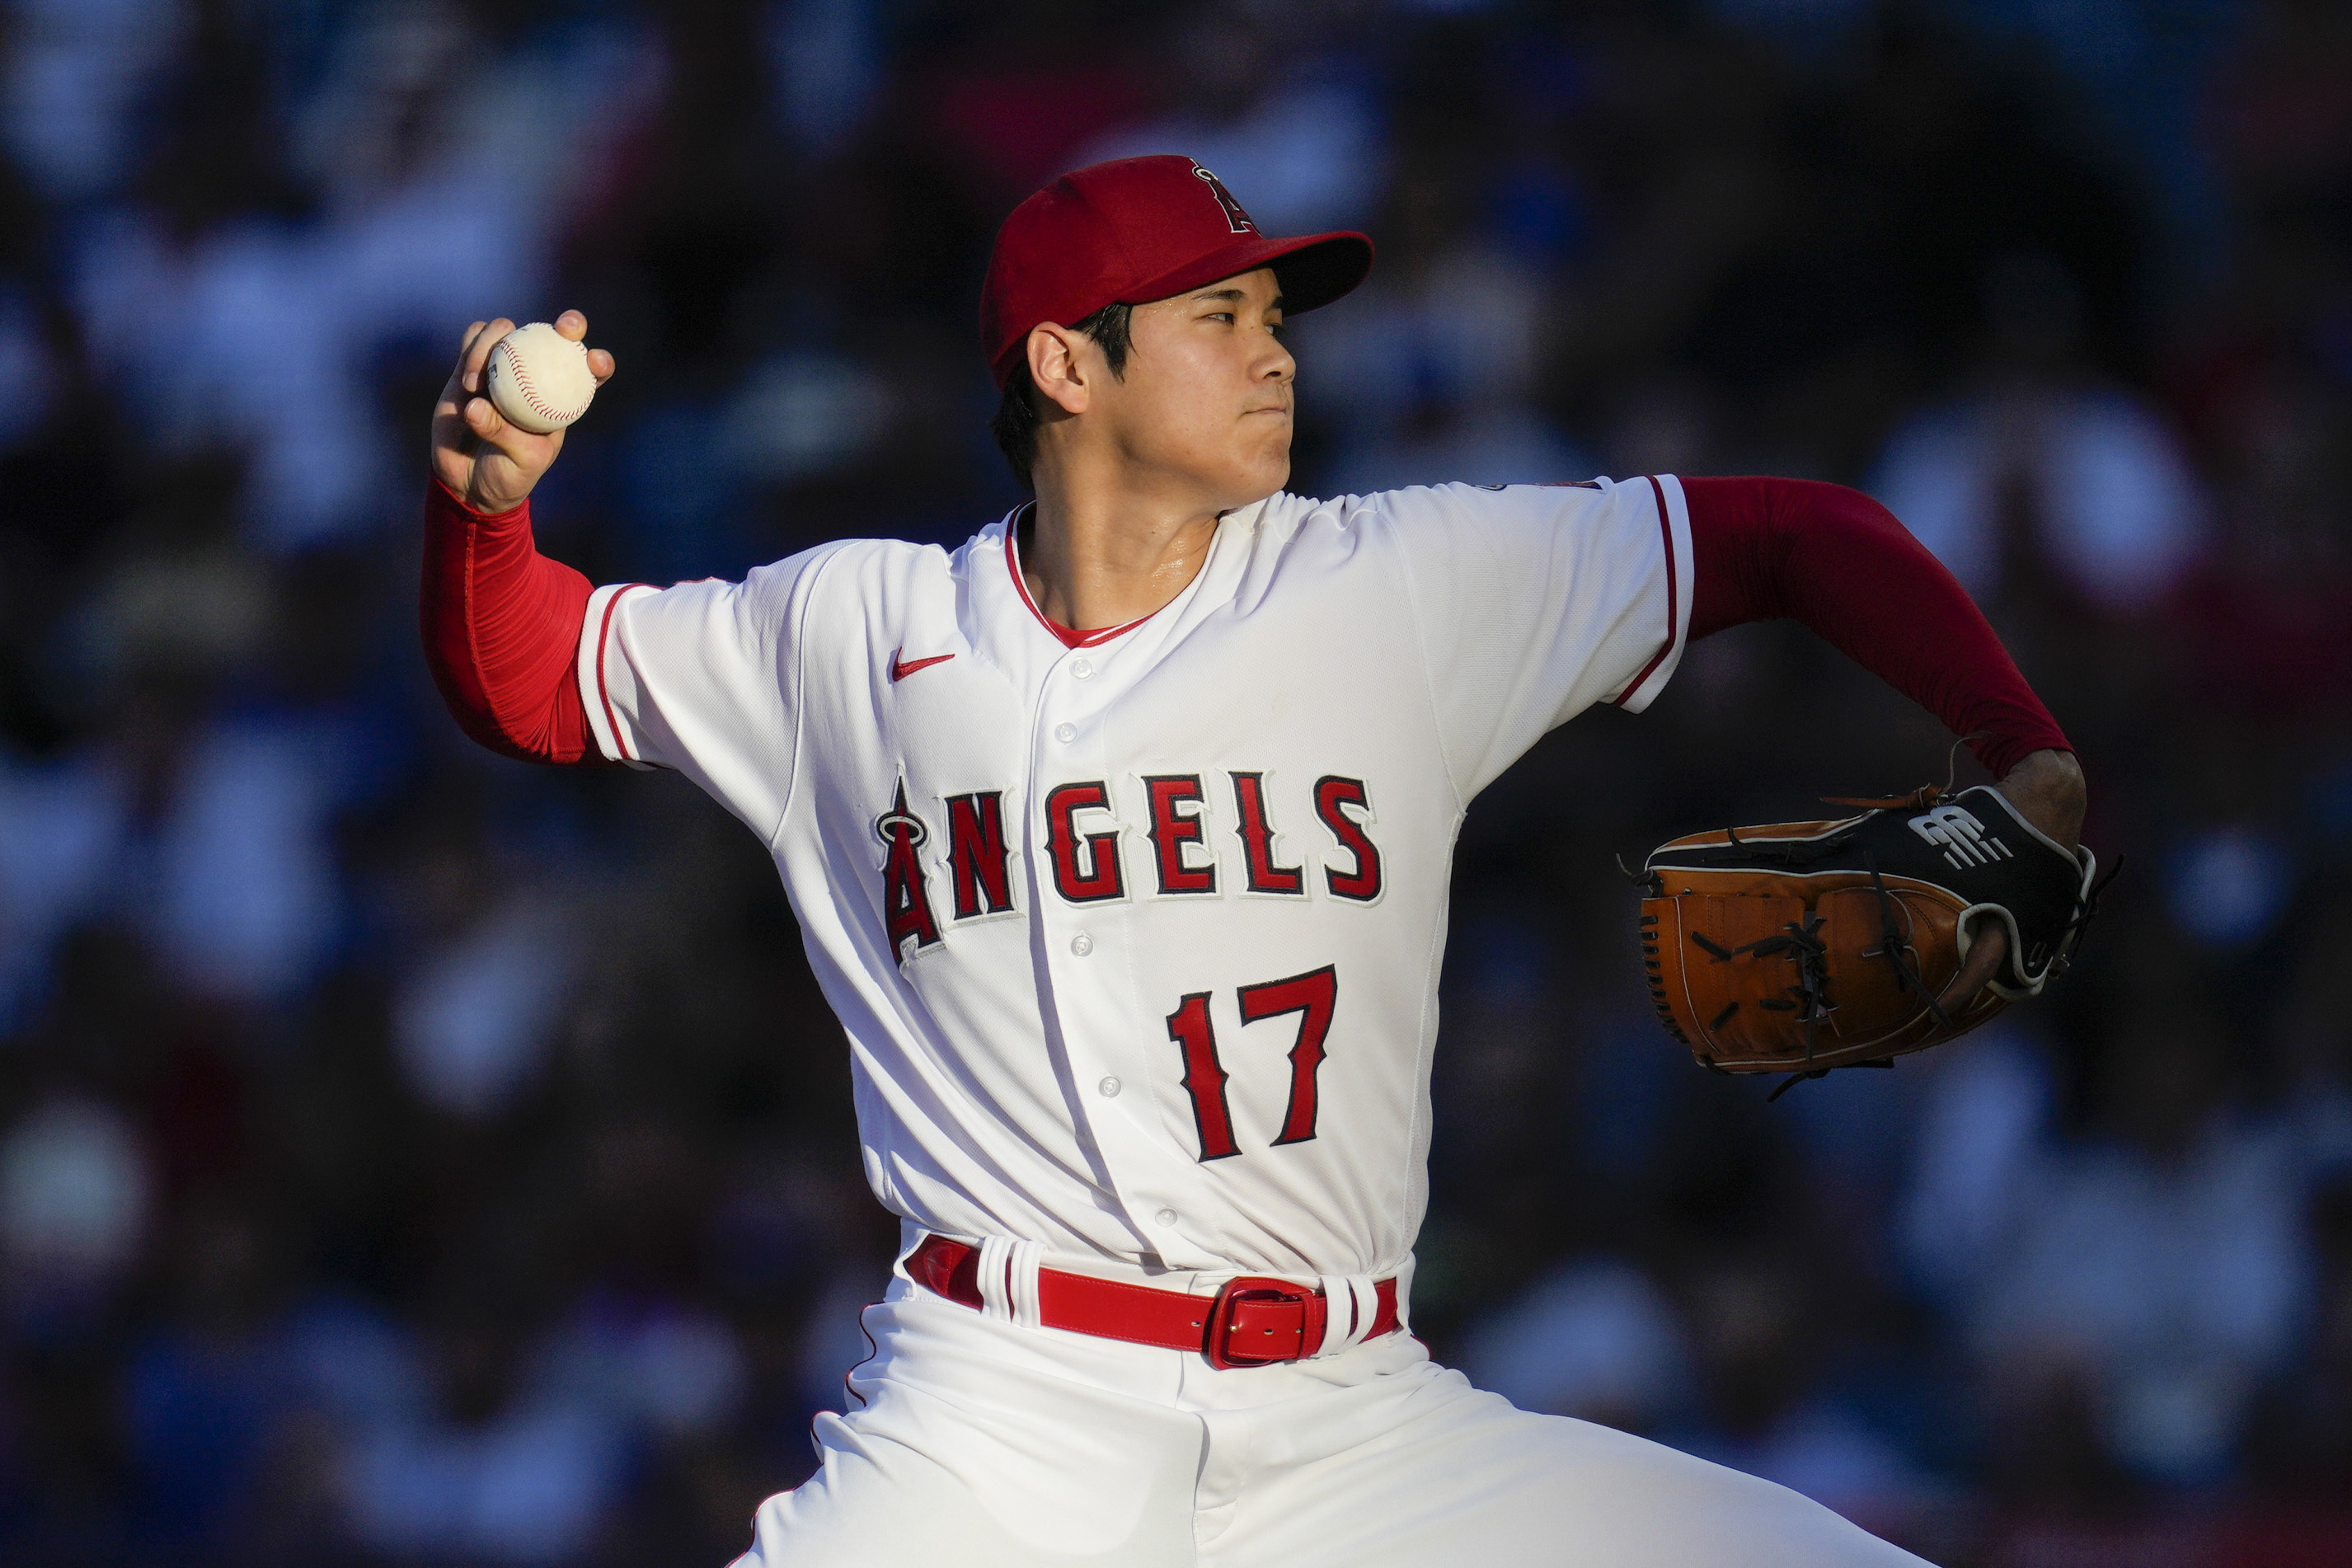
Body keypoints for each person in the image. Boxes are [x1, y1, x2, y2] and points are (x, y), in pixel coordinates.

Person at [422, 156, 2082, 1566]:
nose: (1271, 353)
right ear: (1068, 367)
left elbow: (1787, 535)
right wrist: (485, 514)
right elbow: (529, 677)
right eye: (1218, 318)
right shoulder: (852, 632)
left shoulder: (1394, 586)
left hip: (1353, 1421)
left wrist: (2018, 748)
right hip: (997, 1418)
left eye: (1272, 319)